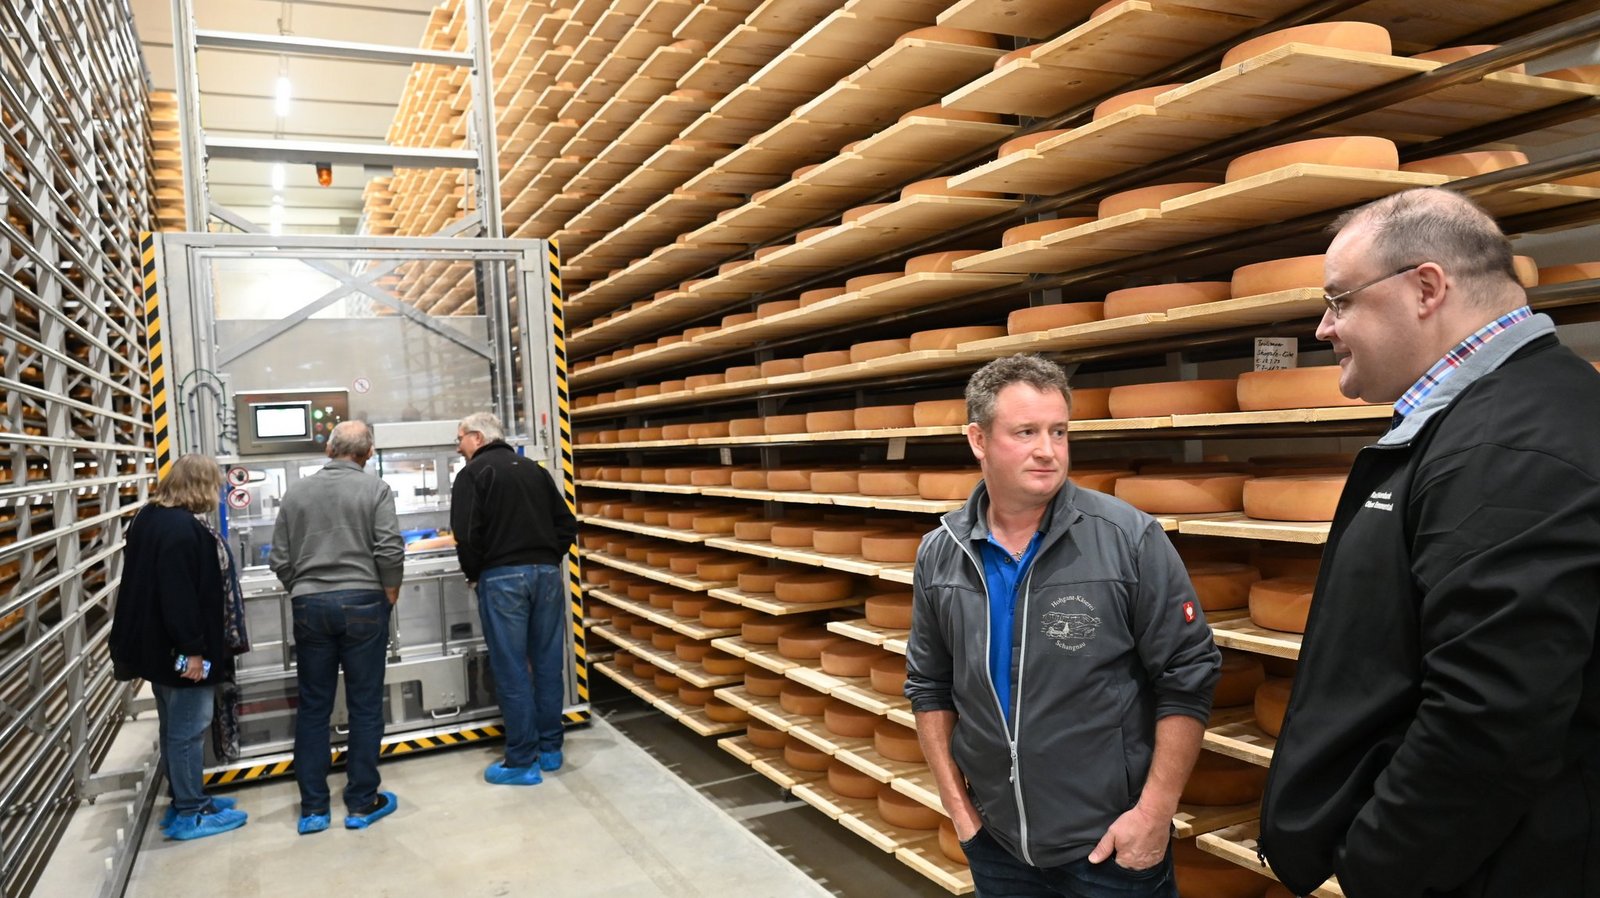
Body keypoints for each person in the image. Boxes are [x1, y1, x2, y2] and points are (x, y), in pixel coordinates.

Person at [1261, 188, 1600, 897]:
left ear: (1425, 288)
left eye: (1339, 300)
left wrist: (1375, 864)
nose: (1324, 327)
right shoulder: (1504, 417)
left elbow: (1488, 719)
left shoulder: (1508, 449)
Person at [904, 354, 1222, 897]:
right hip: (997, 845)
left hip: (1110, 848)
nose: (1048, 451)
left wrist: (1153, 815)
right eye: (1025, 432)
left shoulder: (1128, 539)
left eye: (1059, 431)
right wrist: (960, 811)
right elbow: (929, 685)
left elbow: (1188, 675)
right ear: (978, 440)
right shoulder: (941, 553)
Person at [269, 420, 405, 834]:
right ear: (368, 453)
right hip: (364, 601)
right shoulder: (376, 489)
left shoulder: (296, 492)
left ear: (329, 450)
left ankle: (313, 810)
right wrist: (390, 590)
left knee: (314, 706)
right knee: (365, 705)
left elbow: (279, 558)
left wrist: (303, 588)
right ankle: (361, 803)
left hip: (310, 605)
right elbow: (389, 547)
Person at [110, 454, 250, 840]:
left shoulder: (149, 518)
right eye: (214, 486)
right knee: (189, 729)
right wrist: (193, 652)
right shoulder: (183, 530)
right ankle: (191, 814)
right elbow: (180, 597)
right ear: (201, 486)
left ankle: (187, 801)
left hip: (156, 649)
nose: (217, 493)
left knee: (174, 725)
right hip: (182, 653)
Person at [451, 411, 577, 786]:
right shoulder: (534, 470)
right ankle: (551, 750)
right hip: (547, 576)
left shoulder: (473, 474)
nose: (458, 447)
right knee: (547, 664)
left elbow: (466, 534)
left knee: (512, 668)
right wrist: (546, 558)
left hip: (503, 578)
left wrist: (475, 573)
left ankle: (522, 761)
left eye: (459, 438)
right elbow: (566, 525)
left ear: (477, 437)